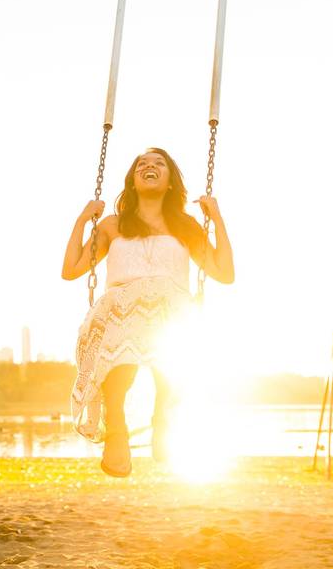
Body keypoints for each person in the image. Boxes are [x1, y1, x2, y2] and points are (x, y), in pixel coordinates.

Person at [61, 147, 234, 477]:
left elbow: (224, 273)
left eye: (159, 164)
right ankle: (117, 429)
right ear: (132, 180)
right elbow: (71, 270)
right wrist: (83, 219)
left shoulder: (185, 226)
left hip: (169, 315)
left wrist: (217, 218)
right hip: (120, 313)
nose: (149, 167)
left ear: (170, 181)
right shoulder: (113, 226)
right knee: (119, 341)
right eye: (142, 164)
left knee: (172, 342)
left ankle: (162, 418)